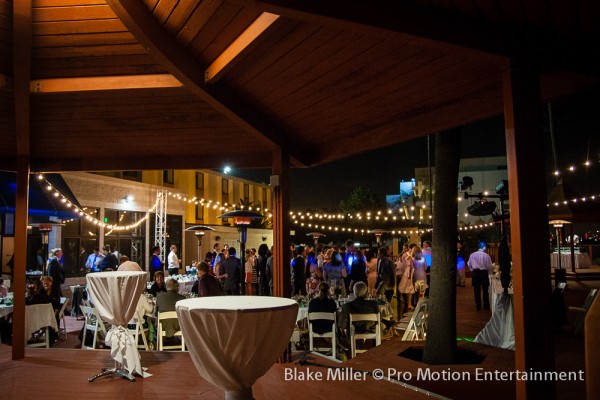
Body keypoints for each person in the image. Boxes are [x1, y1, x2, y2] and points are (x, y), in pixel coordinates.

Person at [467, 240, 493, 310]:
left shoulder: (472, 255)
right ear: (484, 247)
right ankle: (486, 305)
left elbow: (469, 264)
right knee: (485, 289)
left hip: (476, 273)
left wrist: (472, 270)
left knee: (476, 290)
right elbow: (489, 266)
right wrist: (490, 273)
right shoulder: (486, 256)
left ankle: (478, 305)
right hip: (484, 273)